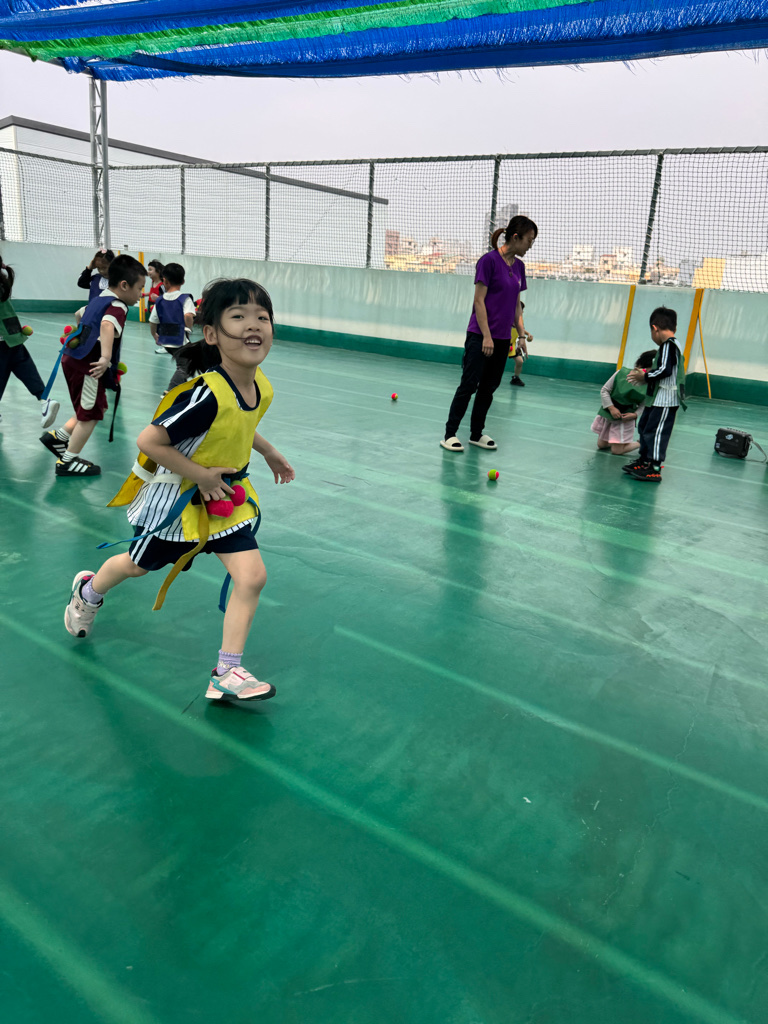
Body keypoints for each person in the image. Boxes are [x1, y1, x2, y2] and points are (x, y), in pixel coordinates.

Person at [63, 278, 295, 704]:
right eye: (238, 316)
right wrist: (201, 476)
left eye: (262, 317)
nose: (253, 325)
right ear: (212, 334)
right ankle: (89, 591)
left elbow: (240, 422)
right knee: (136, 566)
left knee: (252, 577)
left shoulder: (261, 385)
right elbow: (150, 441)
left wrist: (269, 452)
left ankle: (226, 672)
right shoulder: (205, 394)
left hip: (223, 501)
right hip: (179, 505)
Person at [40, 254, 146, 477]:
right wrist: (105, 357)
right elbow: (107, 325)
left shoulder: (100, 298)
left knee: (96, 406)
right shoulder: (118, 306)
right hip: (88, 365)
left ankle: (59, 437)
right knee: (91, 414)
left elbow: (79, 314)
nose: (141, 294)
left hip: (73, 359)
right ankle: (67, 461)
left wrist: (86, 337)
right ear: (124, 285)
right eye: (139, 288)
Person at [441, 215, 536, 452]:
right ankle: (450, 434)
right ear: (516, 237)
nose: (530, 245)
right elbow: (479, 301)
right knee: (468, 385)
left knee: (488, 388)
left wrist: (521, 335)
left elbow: (516, 305)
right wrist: (486, 336)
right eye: (529, 240)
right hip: (480, 336)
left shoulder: (519, 267)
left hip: (503, 339)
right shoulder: (488, 261)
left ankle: (476, 433)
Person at [623, 307, 686, 482]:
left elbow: (665, 370)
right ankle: (644, 461)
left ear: (654, 328)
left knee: (657, 433)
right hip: (657, 398)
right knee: (645, 427)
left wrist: (644, 377)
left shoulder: (669, 346)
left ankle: (654, 468)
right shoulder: (667, 347)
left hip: (666, 400)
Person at [0, 255, 59, 427]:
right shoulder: (3, 282)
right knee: (25, 368)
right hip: (14, 336)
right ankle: (44, 400)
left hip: (2, 339)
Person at [591, 350, 655, 455]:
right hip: (610, 413)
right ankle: (617, 441)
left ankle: (642, 442)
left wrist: (635, 415)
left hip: (625, 417)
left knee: (617, 451)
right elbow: (605, 390)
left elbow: (644, 404)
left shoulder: (650, 384)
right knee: (601, 445)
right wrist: (611, 408)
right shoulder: (621, 373)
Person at [149, 262, 195, 357]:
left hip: (165, 341)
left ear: (164, 281)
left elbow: (152, 321)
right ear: (183, 281)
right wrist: (189, 328)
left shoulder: (159, 300)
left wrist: (154, 335)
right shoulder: (185, 299)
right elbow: (188, 316)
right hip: (180, 341)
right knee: (187, 362)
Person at [75, 249, 115, 325]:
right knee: (78, 314)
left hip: (109, 313)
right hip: (93, 311)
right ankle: (81, 331)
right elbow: (81, 283)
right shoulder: (96, 278)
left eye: (104, 268)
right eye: (98, 268)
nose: (101, 271)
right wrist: (89, 269)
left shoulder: (117, 280)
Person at [509, 301, 532, 387]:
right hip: (503, 342)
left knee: (519, 361)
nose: (522, 311)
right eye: (521, 310)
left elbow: (521, 330)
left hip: (512, 345)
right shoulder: (509, 318)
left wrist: (528, 334)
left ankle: (515, 378)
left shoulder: (520, 320)